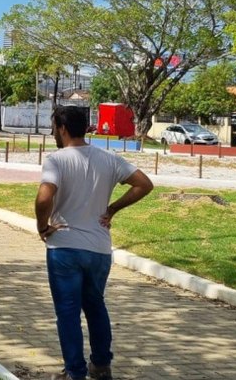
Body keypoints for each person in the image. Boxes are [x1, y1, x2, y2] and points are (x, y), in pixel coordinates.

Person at [35, 106, 153, 380]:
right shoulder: (109, 159)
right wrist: (111, 209)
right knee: (95, 306)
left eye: (54, 127)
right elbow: (144, 184)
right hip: (99, 249)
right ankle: (101, 366)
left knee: (68, 313)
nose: (54, 132)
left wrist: (42, 226)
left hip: (64, 247)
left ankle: (75, 373)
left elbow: (43, 198)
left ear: (62, 128)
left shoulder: (57, 160)